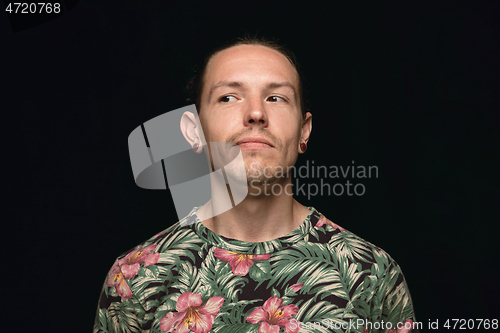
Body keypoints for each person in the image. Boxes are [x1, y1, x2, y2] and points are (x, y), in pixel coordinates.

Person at [93, 36, 419, 333]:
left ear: (304, 131)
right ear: (193, 131)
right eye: (229, 97)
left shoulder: (370, 273)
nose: (255, 113)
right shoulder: (135, 278)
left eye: (276, 97)